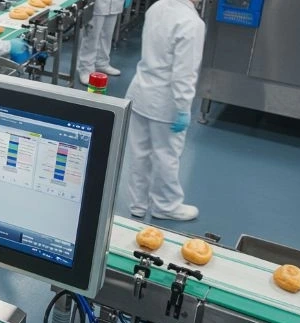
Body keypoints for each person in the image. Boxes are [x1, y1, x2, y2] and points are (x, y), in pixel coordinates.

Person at [125, 0, 206, 221]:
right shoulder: (191, 23)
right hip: (165, 101)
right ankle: (166, 205)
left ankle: (138, 204)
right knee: (166, 155)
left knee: (139, 153)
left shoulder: (157, 7)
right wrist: (183, 107)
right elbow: (184, 73)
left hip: (140, 91)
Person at [77, 0, 125, 84]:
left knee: (107, 34)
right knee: (91, 37)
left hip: (115, 3)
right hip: (96, 4)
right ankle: (86, 69)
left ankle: (102, 63)